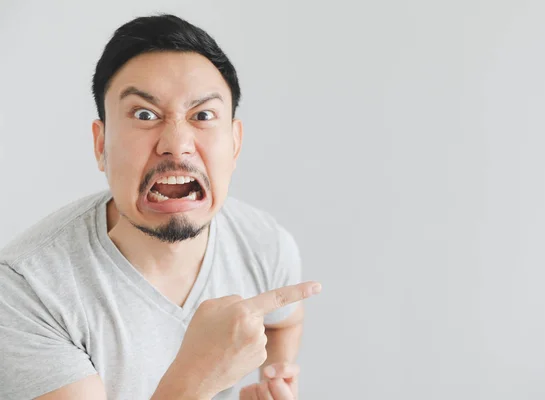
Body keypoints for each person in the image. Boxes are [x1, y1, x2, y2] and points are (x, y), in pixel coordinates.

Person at [0, 14, 321, 400]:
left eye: (202, 116)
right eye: (144, 115)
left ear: (235, 144)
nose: (176, 143)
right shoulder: (26, 293)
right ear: (101, 145)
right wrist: (194, 378)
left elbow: (284, 322)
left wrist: (272, 378)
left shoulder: (263, 243)